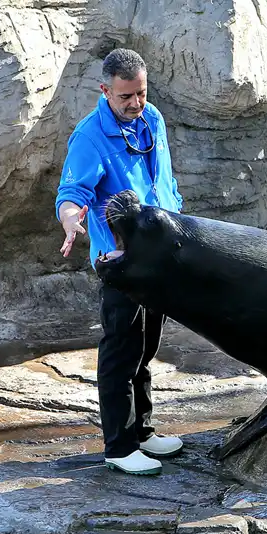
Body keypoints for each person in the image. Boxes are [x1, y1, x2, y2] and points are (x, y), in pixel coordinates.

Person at [55, 48, 184, 476]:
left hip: (159, 255)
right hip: (121, 262)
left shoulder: (153, 119)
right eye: (126, 96)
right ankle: (119, 446)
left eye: (141, 93)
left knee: (146, 348)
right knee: (120, 351)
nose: (135, 103)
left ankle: (142, 432)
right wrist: (71, 220)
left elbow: (163, 179)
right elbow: (72, 193)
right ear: (105, 90)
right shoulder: (89, 136)